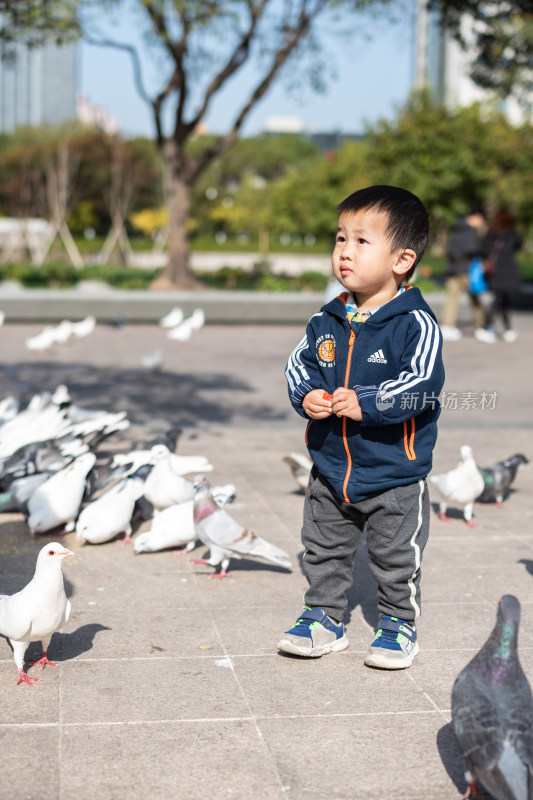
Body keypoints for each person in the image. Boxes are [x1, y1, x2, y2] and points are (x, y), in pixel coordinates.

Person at [279, 185, 445, 670]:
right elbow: (299, 364)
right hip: (331, 467)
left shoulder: (415, 323)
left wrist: (368, 402)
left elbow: (424, 383)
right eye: (339, 238)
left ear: (402, 258)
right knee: (324, 548)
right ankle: (323, 617)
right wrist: (305, 393)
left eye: (361, 241)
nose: (345, 251)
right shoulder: (327, 318)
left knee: (396, 558)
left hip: (395, 472)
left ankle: (397, 623)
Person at [475, 208, 522, 343]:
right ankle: (487, 326)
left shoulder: (491, 234)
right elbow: (517, 246)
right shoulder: (512, 234)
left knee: (502, 300)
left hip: (495, 272)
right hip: (508, 271)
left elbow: (483, 251)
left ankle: (505, 328)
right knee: (500, 300)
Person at [440, 208, 487, 341]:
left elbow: (450, 246)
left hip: (453, 268)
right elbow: (471, 249)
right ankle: (482, 324)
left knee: (452, 298)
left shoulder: (457, 227)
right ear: (476, 217)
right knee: (474, 297)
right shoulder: (470, 231)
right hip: (466, 269)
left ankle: (447, 324)